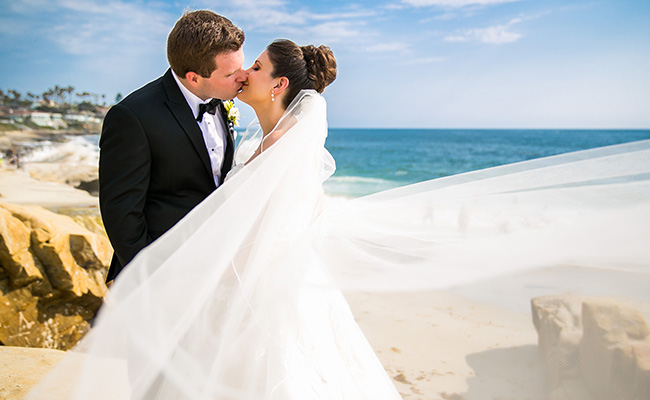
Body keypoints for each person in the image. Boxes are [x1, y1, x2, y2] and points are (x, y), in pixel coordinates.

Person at [28, 38, 650, 399]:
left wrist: (217, 274)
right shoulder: (256, 130)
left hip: (258, 290)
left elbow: (270, 225)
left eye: (256, 70)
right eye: (238, 69)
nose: (244, 74)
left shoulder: (281, 148)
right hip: (227, 284)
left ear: (276, 87)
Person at [99, 10, 246, 283]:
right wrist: (150, 277)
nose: (244, 76)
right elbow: (121, 212)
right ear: (194, 78)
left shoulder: (220, 98)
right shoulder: (133, 117)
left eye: (242, 66)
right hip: (161, 273)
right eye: (232, 73)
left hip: (213, 267)